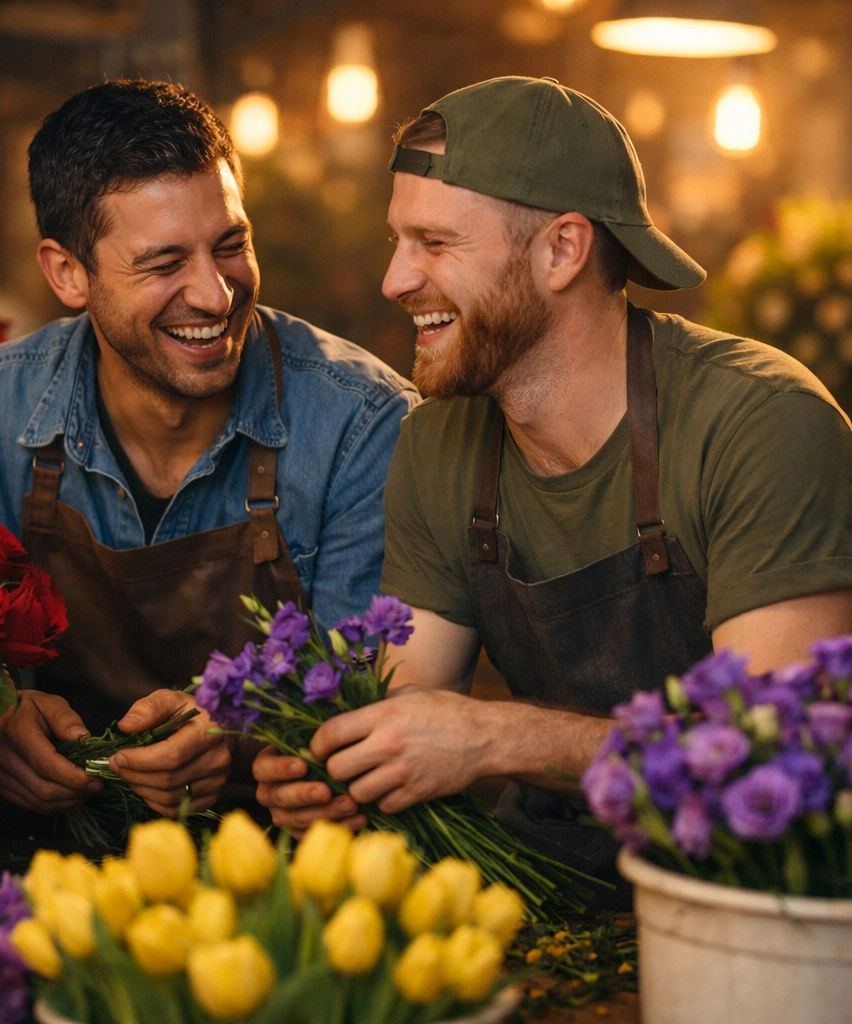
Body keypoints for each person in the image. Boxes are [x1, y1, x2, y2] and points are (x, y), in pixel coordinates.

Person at [253, 76, 852, 901]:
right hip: (541, 890)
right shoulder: (438, 438)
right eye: (398, 240)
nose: (395, 279)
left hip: (745, 905)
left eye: (433, 242)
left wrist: (499, 737)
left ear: (563, 250)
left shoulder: (759, 421)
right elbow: (411, 701)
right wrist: (341, 769)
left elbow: (768, 759)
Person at [0, 80, 417, 826]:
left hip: (290, 865)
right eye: (163, 263)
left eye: (231, 245)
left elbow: (369, 699)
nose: (213, 294)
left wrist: (246, 734)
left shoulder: (362, 425)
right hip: (41, 862)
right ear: (67, 274)